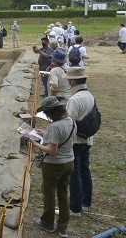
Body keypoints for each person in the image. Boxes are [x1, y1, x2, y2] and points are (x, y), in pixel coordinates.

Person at [30, 96, 75, 238]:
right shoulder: (71, 121)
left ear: (50, 113)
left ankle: (47, 223)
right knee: (63, 194)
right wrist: (45, 133)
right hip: (69, 162)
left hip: (54, 165)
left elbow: (52, 150)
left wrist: (35, 143)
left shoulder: (54, 126)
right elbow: (62, 138)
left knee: (49, 193)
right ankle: (63, 227)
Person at [64, 67, 95, 216]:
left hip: (76, 141)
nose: (69, 83)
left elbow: (68, 124)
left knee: (74, 174)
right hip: (87, 139)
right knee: (84, 171)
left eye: (69, 80)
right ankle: (85, 203)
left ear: (74, 81)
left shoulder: (74, 99)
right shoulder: (89, 95)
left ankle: (74, 208)